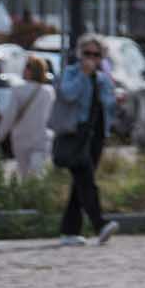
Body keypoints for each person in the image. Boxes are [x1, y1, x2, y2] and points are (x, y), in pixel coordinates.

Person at [49, 36, 118, 247]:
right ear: (80, 54)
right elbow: (67, 94)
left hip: (95, 136)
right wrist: (83, 75)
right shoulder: (70, 73)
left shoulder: (103, 78)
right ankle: (100, 224)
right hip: (75, 134)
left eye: (96, 55)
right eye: (87, 53)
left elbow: (109, 103)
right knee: (86, 180)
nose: (91, 58)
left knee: (81, 182)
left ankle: (69, 230)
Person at [0, 54, 54, 175]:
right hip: (41, 138)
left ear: (29, 71)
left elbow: (9, 117)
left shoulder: (18, 90)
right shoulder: (48, 91)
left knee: (24, 174)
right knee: (37, 174)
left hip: (21, 138)